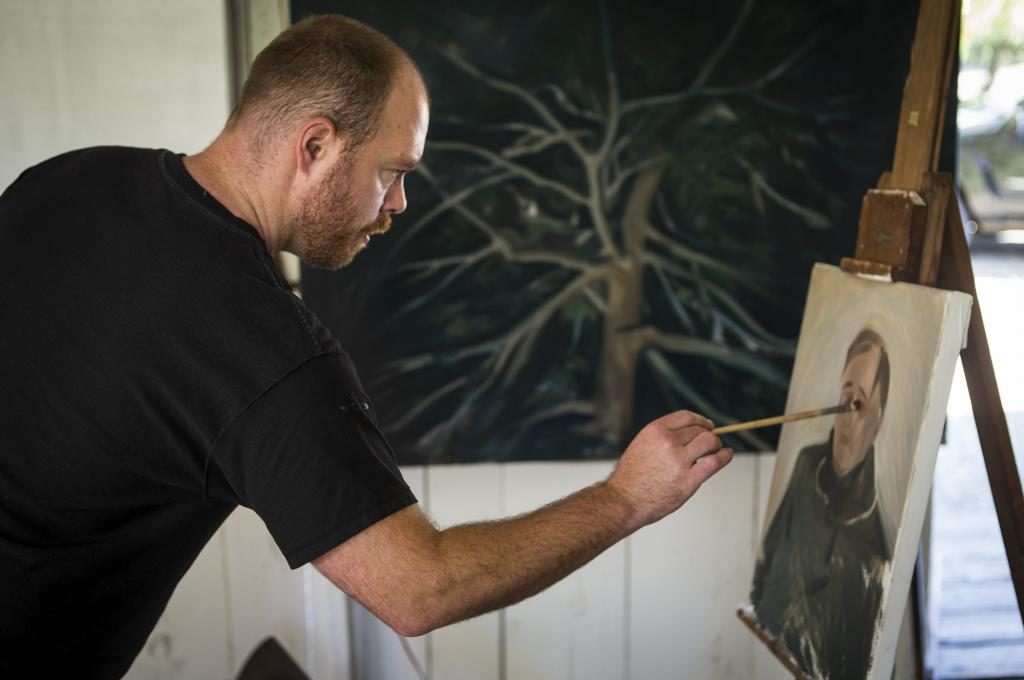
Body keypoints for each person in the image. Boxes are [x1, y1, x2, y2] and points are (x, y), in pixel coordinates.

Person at [0, 15, 733, 678]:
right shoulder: (264, 353)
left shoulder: (72, 176)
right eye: (392, 172)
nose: (399, 205)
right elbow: (421, 588)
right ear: (315, 145)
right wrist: (626, 498)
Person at [750, 329, 891, 680]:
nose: (846, 413)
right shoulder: (807, 465)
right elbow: (766, 571)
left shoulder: (875, 532)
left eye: (859, 402)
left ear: (879, 418)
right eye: (844, 396)